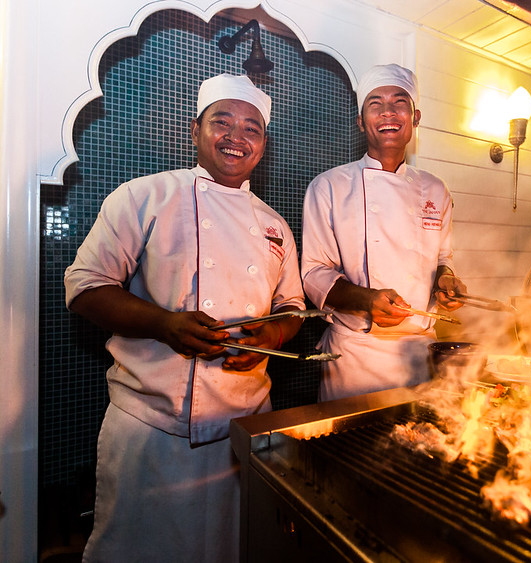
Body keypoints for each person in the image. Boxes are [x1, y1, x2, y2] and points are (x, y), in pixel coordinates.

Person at [64, 73, 306, 563]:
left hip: (245, 427)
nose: (236, 137)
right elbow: (85, 287)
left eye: (252, 129)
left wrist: (274, 331)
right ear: (195, 131)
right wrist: (165, 325)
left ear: (264, 145)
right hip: (153, 433)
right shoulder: (143, 197)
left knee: (232, 548)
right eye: (223, 122)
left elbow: (294, 307)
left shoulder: (274, 224)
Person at [301, 63, 466, 402]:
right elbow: (314, 275)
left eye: (399, 102)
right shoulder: (329, 186)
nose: (388, 112)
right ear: (361, 122)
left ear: (415, 117)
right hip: (355, 359)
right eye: (375, 104)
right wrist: (365, 300)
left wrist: (446, 280)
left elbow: (443, 259)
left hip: (418, 356)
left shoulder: (436, 189)